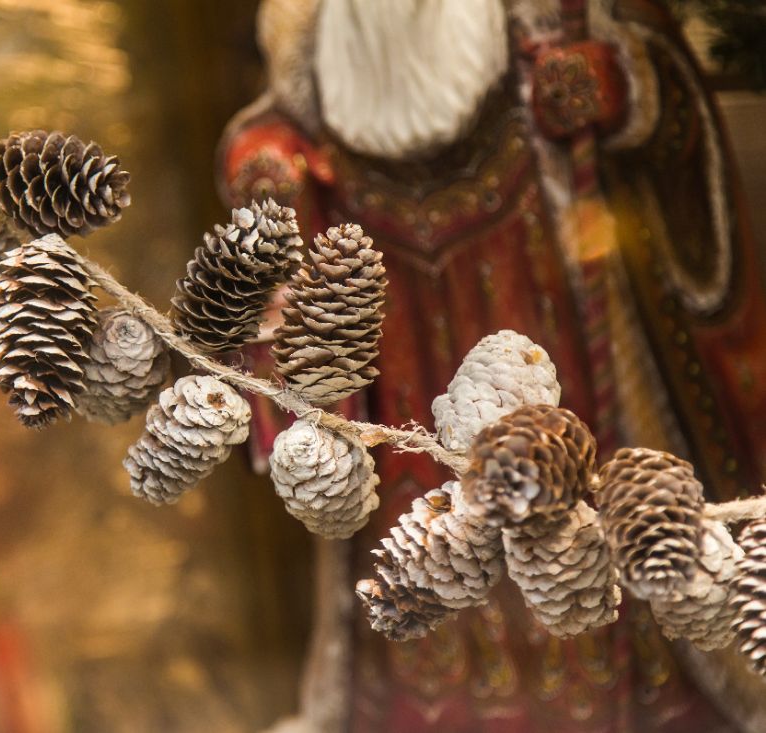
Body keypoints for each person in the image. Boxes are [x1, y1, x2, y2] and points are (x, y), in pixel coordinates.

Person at [219, 1, 766, 730]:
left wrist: (617, 83)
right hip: (400, 352)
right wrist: (266, 160)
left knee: (578, 526)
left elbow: (666, 92)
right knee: (430, 559)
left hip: (552, 311)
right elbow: (279, 123)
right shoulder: (304, 26)